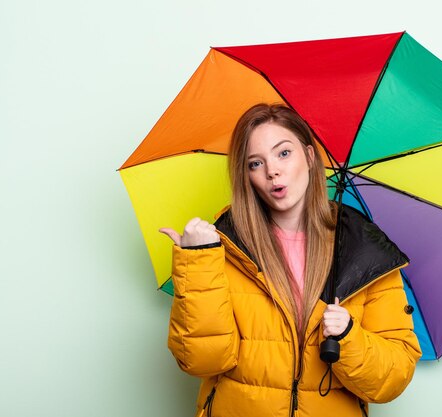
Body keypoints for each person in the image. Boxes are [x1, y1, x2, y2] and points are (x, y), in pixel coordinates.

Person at [160, 104, 421, 417]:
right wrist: (197, 264)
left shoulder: (366, 252)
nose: (272, 170)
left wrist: (348, 337)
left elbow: (391, 380)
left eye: (283, 153)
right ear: (246, 176)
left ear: (309, 158)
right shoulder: (224, 247)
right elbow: (202, 360)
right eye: (255, 163)